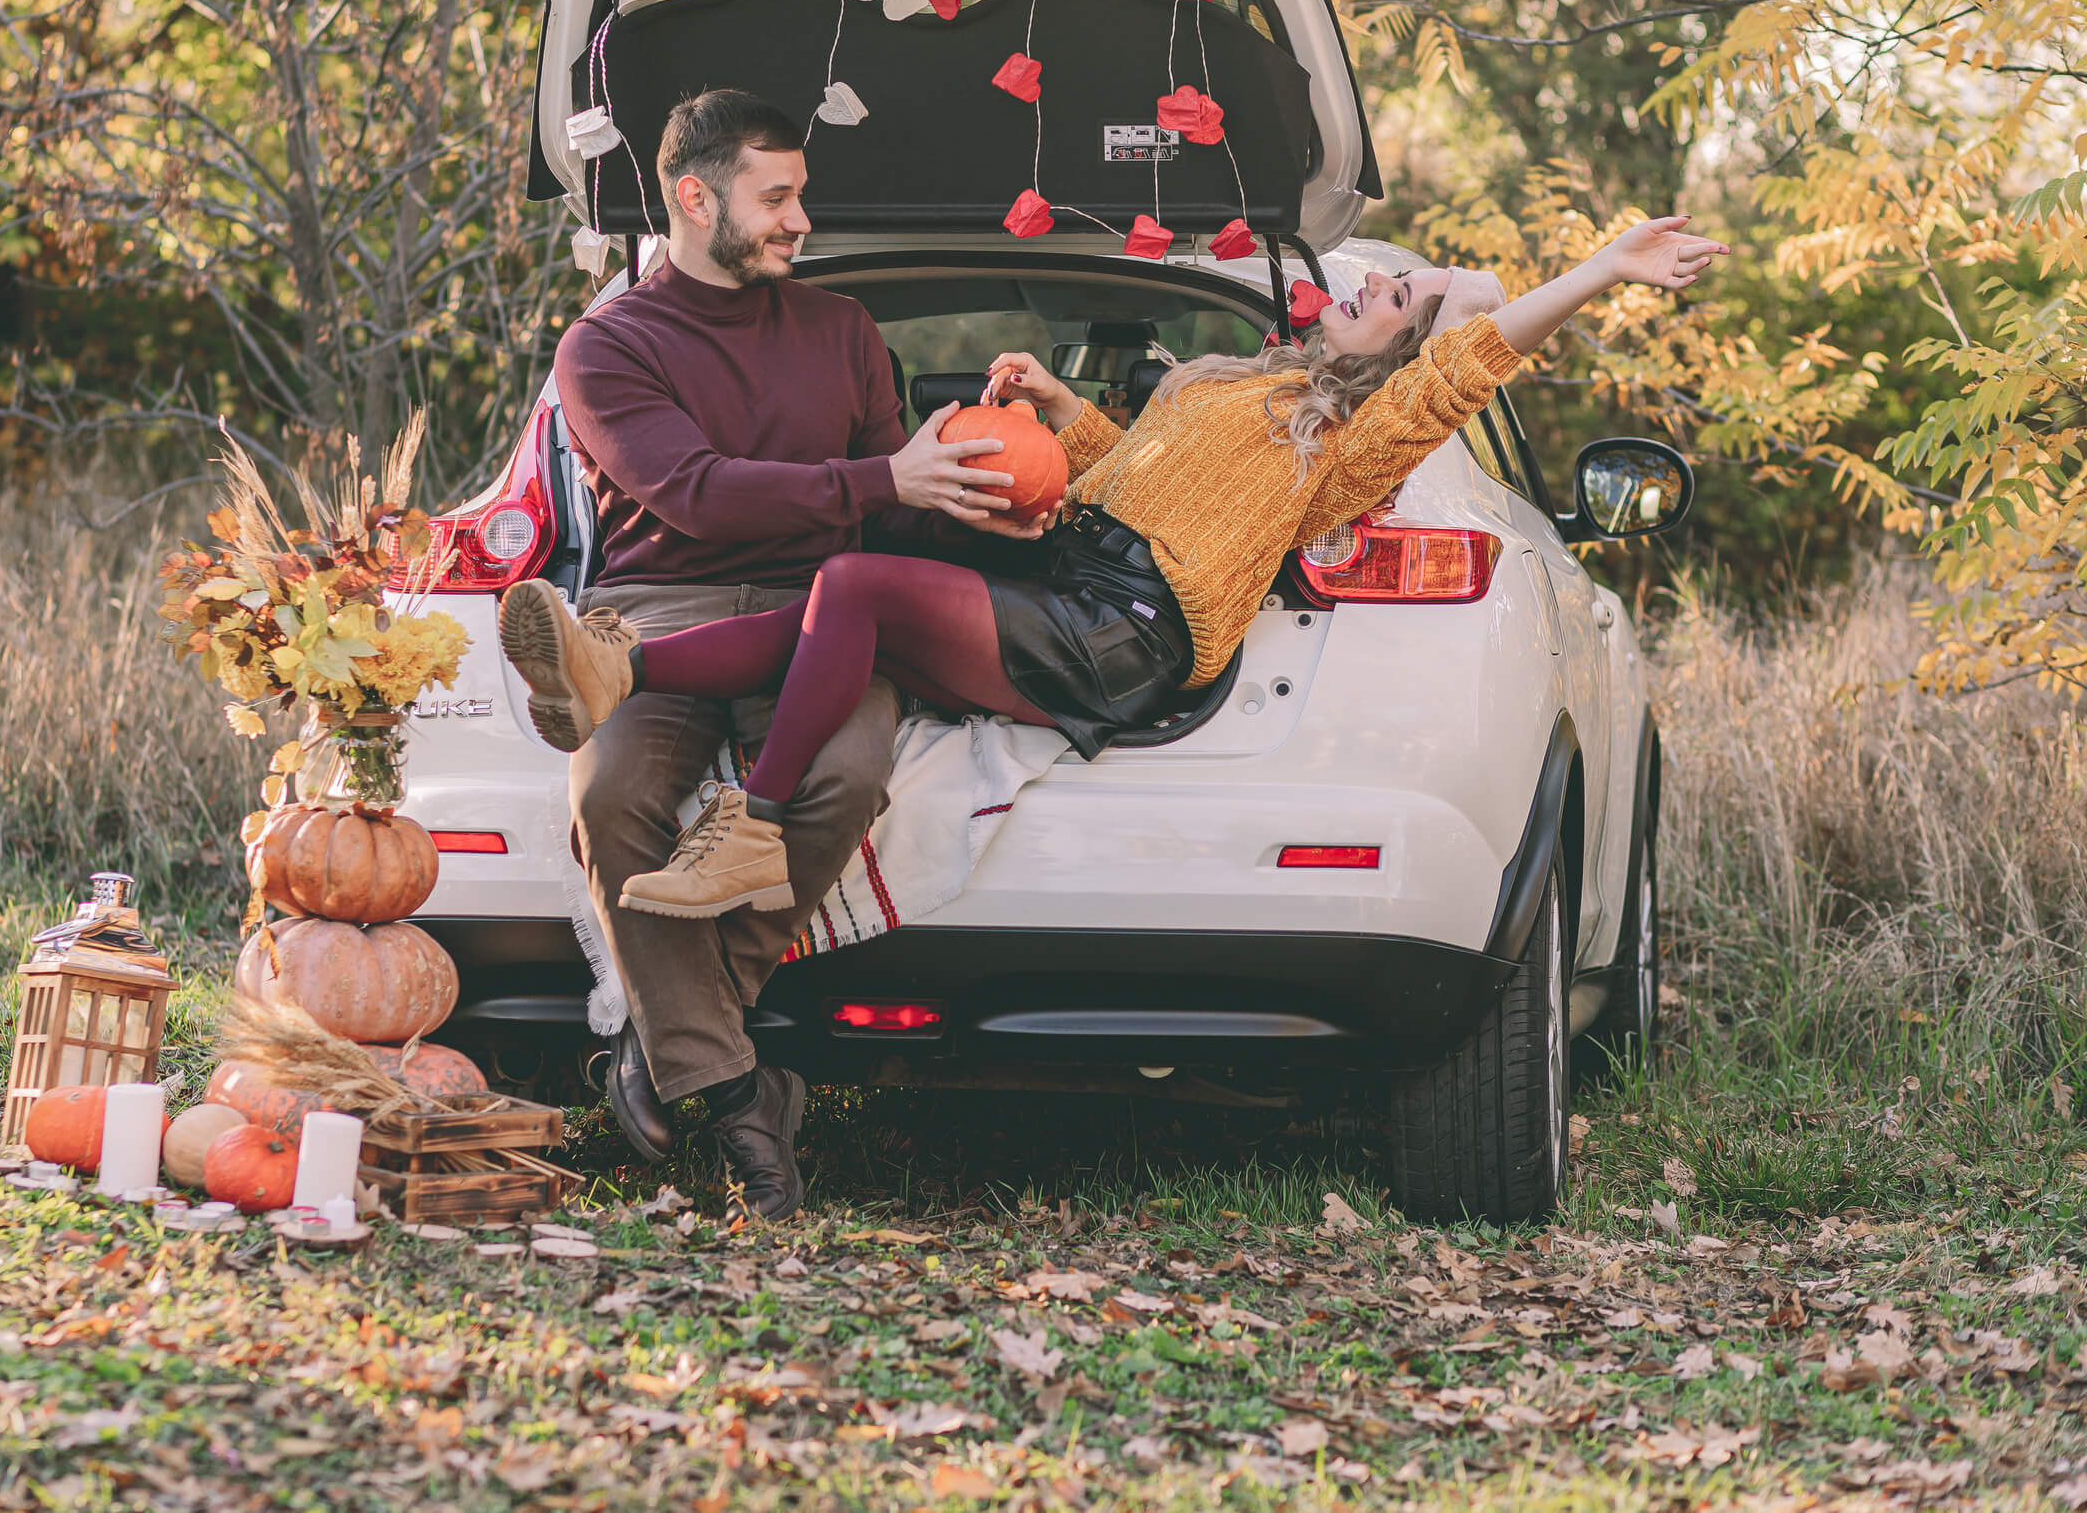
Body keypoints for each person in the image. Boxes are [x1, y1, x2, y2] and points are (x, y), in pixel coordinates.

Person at [504, 211, 1727, 944]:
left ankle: (758, 831)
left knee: (862, 590)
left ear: (1404, 347)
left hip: (1129, 633)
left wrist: (1601, 269)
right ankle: (618, 666)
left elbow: (1469, 365)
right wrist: (1055, 406)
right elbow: (1124, 474)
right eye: (1379, 282)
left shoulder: (1345, 441)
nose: (1367, 291)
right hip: (1077, 568)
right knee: (860, 573)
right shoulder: (1235, 383)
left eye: (1393, 300)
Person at [543, 88, 1042, 1220]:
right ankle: (737, 1090)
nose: (798, 219)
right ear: (694, 194)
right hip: (657, 612)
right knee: (611, 789)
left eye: (800, 196)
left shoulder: (842, 329)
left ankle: (677, 1043)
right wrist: (882, 484)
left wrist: (980, 497)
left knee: (848, 777)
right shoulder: (608, 344)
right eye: (777, 198)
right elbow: (696, 496)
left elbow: (892, 515)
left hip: (824, 612)